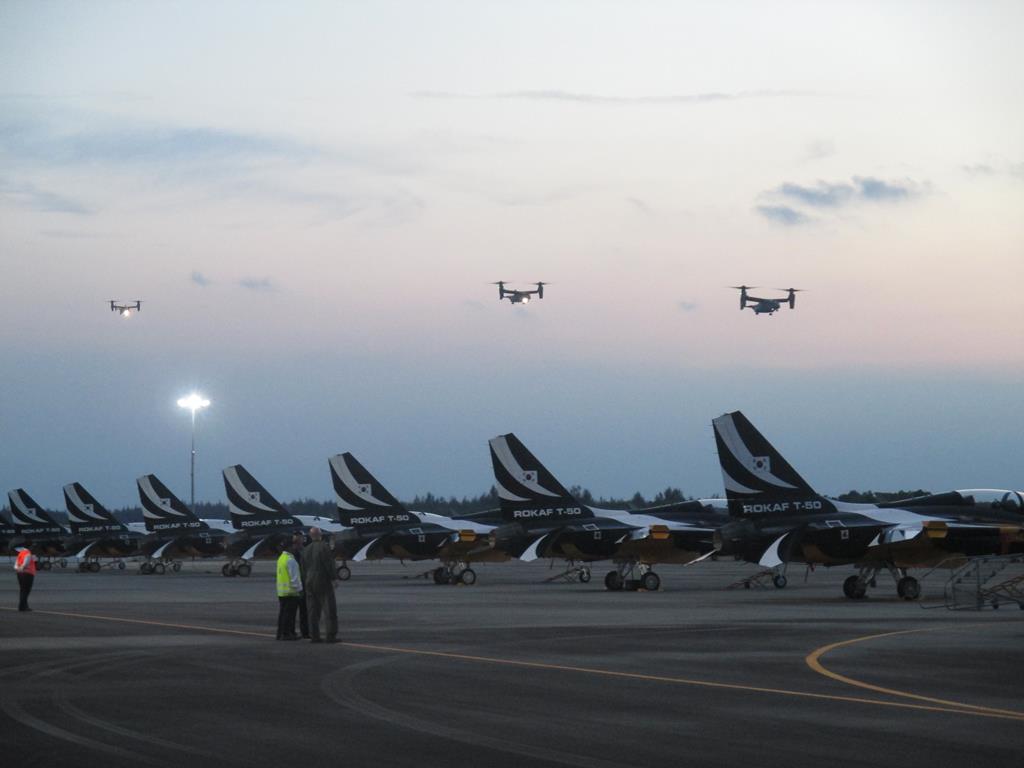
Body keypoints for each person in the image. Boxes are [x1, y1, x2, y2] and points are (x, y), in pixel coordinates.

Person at [300, 527, 338, 644]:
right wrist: (334, 578)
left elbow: (303, 568)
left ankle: (314, 635)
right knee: (329, 608)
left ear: (311, 536)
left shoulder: (305, 549)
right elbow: (328, 564)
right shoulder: (324, 547)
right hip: (322, 579)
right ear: (320, 535)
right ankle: (330, 635)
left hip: (308, 580)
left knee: (312, 610)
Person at [275, 540, 302, 640]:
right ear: (290, 547)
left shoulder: (281, 558)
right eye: (293, 546)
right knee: (289, 615)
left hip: (282, 591)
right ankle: (287, 634)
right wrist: (299, 589)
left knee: (282, 614)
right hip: (291, 592)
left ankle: (280, 633)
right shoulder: (291, 560)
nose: (295, 547)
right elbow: (294, 577)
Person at [291, 532, 310, 639]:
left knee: (303, 611)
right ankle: (299, 631)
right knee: (298, 611)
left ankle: (304, 631)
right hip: (298, 584)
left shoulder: (302, 550)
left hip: (301, 584)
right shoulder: (294, 552)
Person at [14, 546, 37, 612]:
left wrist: (18, 569)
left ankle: (24, 606)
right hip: (28, 574)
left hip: (19, 573)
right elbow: (26, 563)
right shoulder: (28, 553)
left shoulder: (20, 554)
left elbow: (15, 565)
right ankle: (22, 607)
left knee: (22, 590)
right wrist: (23, 567)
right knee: (26, 591)